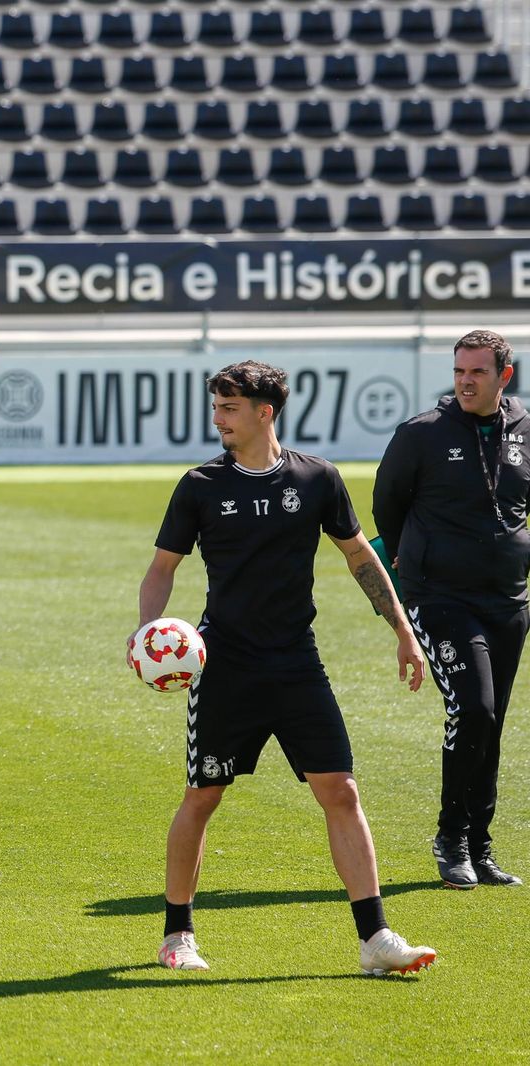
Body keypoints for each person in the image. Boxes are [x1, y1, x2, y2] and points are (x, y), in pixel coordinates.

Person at [135, 360, 437, 975]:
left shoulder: (316, 478)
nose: (218, 419)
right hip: (225, 667)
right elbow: (163, 567)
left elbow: (360, 556)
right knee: (203, 796)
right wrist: (147, 631)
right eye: (216, 407)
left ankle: (375, 939)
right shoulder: (200, 485)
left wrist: (403, 630)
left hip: (297, 663)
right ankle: (177, 935)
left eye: (229, 408)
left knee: (341, 791)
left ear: (264, 411)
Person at [373, 329, 530, 889]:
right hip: (439, 598)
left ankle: (481, 847)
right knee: (475, 709)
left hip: (508, 600)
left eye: (478, 372)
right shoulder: (421, 434)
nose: (466, 381)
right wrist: (409, 568)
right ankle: (451, 838)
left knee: (492, 724)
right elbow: (387, 506)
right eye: (460, 370)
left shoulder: (525, 427)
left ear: (504, 376)